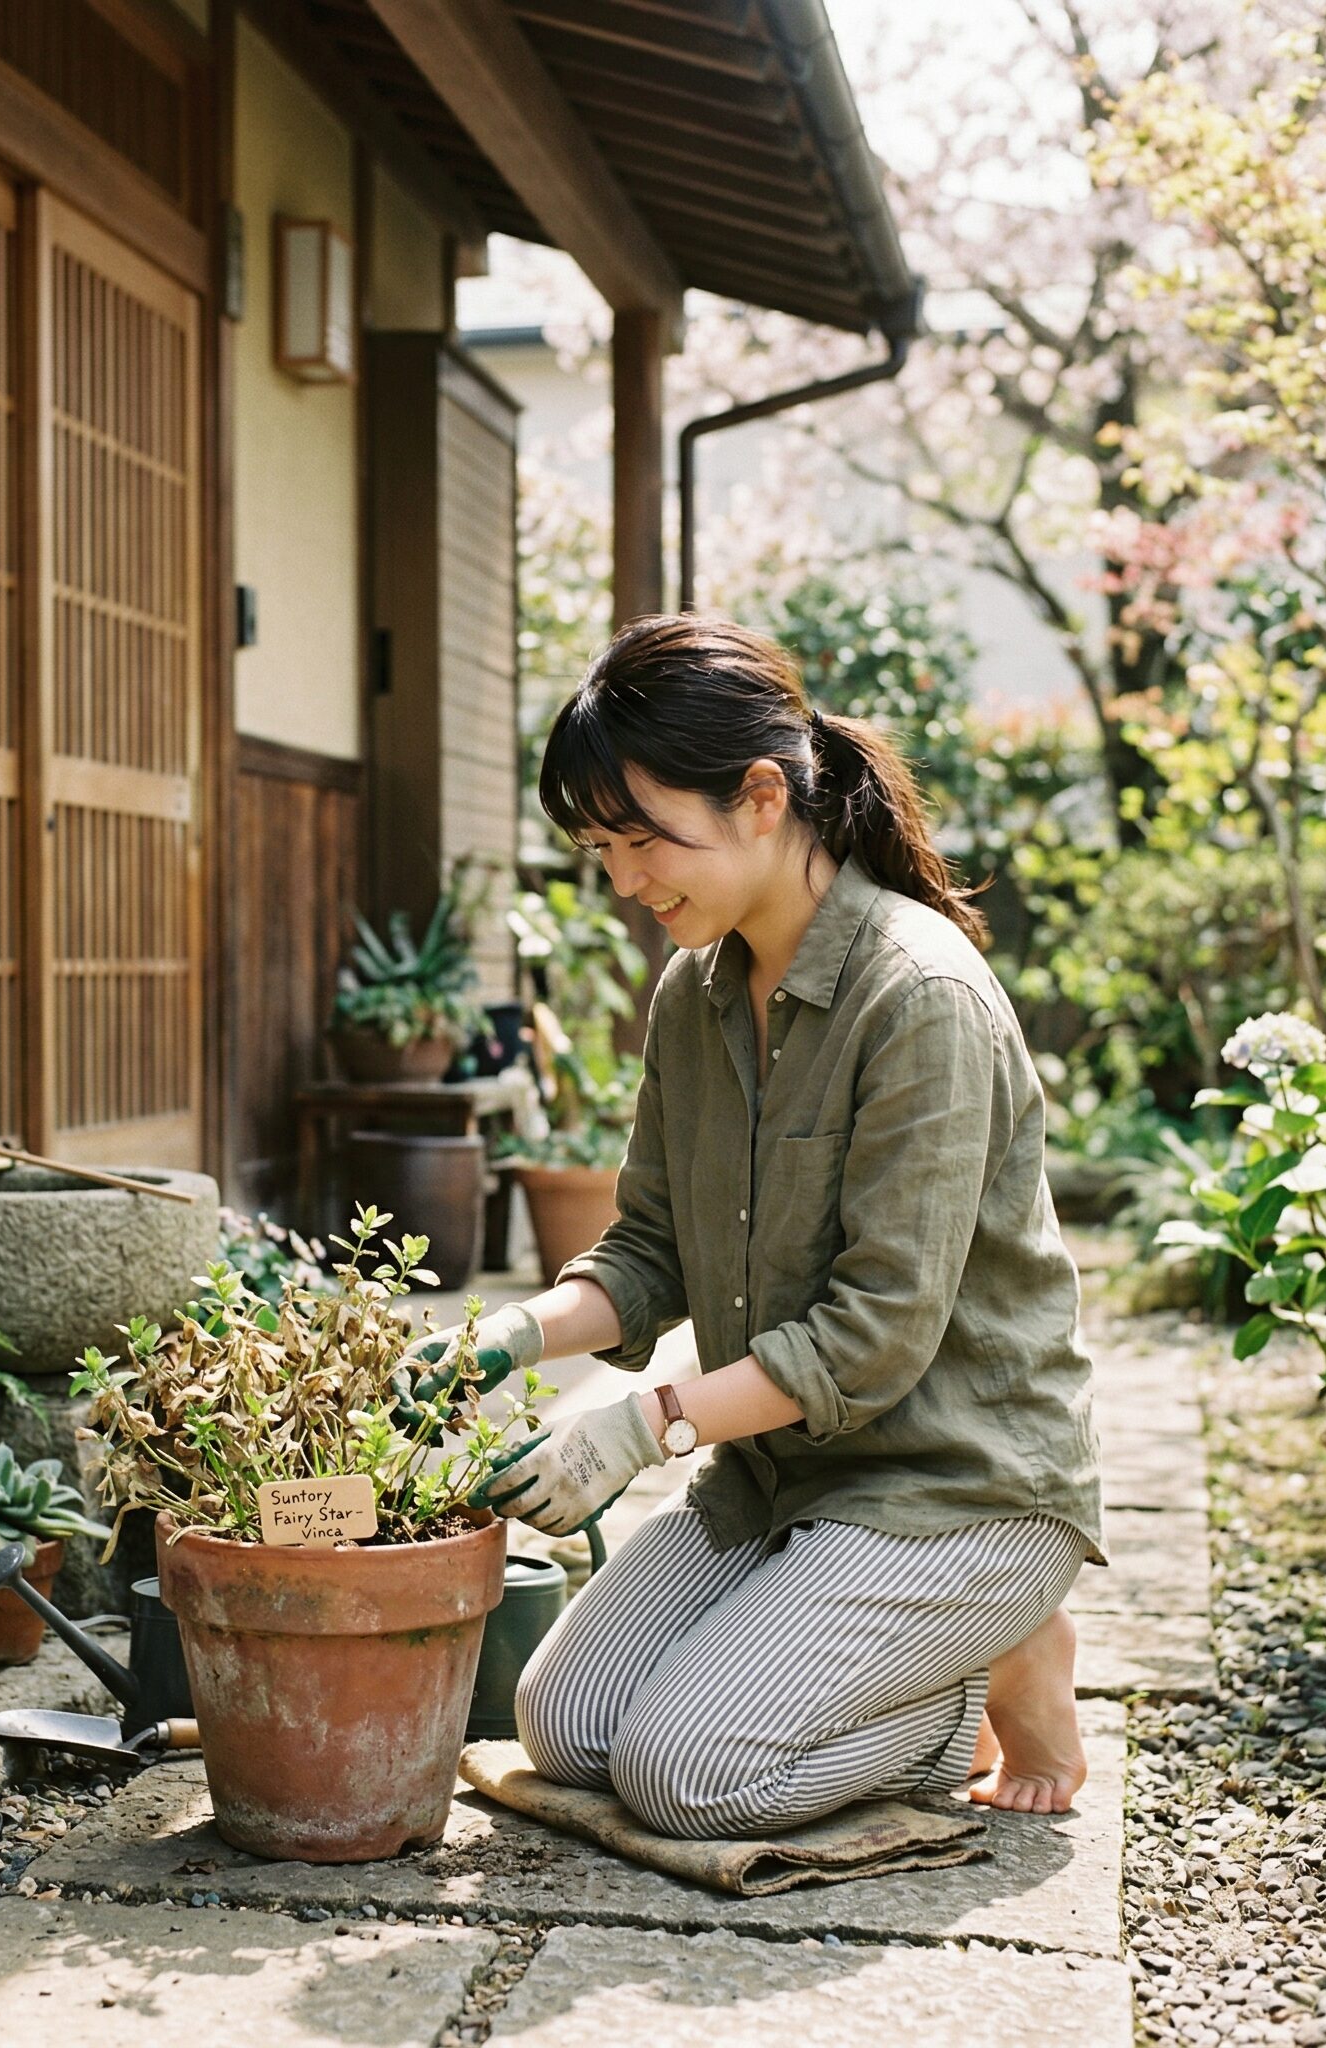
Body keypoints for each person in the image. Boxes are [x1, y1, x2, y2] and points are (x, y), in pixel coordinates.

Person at [397, 613, 1103, 1838]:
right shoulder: (697, 989)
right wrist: (502, 1336)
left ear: (763, 797)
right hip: (779, 1469)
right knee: (566, 1725)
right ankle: (877, 1654)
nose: (624, 879)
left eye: (643, 838)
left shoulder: (919, 994)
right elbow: (649, 1249)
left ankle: (983, 1665)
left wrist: (639, 1423)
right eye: (600, 848)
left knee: (687, 1773)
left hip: (955, 1483)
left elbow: (874, 1336)